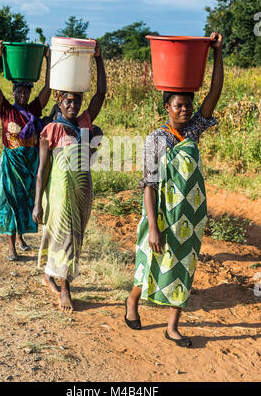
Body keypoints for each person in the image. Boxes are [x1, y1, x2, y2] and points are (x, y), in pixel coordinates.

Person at [125, 32, 223, 347]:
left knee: (183, 267)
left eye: (188, 105)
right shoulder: (156, 139)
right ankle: (132, 303)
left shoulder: (194, 129)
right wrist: (153, 227)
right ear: (167, 106)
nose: (185, 110)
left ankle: (172, 326)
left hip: (189, 217)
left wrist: (217, 54)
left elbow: (215, 93)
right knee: (151, 262)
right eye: (179, 105)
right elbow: (149, 186)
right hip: (162, 216)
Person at [32, 40, 106, 313]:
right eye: (67, 101)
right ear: (59, 103)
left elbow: (101, 93)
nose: (72, 105)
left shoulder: (85, 123)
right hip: (60, 194)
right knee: (64, 237)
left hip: (83, 193)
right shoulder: (50, 130)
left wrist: (99, 58)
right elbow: (42, 171)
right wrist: (37, 202)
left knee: (74, 236)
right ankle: (65, 288)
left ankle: (49, 274)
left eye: (76, 100)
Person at [0, 40, 51, 261]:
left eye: (26, 92)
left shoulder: (34, 109)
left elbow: (48, 89)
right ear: (14, 93)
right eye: (20, 92)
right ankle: (11, 246)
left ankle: (20, 238)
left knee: (26, 200)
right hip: (11, 163)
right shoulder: (5, 110)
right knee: (9, 200)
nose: (24, 96)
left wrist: (48, 59)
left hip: (30, 162)